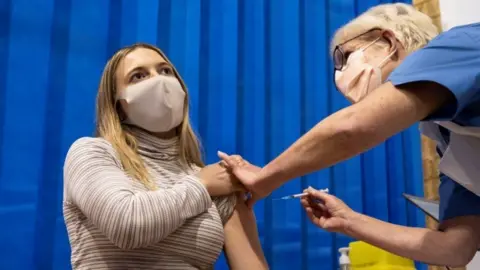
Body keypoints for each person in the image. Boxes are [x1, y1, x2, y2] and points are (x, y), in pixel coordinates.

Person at [220, 3, 480, 267]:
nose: (340, 75)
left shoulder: (462, 46)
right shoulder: (452, 139)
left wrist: (265, 178)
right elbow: (454, 248)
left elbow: (352, 128)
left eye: (345, 57)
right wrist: (348, 221)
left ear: (388, 40)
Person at [63, 43, 268, 270]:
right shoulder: (93, 153)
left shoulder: (217, 180)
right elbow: (126, 225)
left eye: (165, 71)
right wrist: (202, 184)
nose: (159, 81)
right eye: (138, 76)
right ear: (119, 105)